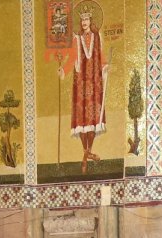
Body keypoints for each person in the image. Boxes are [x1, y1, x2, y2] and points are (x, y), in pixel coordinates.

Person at [61, 9, 109, 173]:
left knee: (93, 120)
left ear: (91, 21)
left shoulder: (97, 37)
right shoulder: (77, 39)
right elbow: (73, 57)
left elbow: (101, 56)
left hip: (95, 82)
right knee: (82, 120)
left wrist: (105, 67)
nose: (84, 23)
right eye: (82, 21)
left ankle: (86, 155)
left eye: (87, 20)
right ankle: (87, 153)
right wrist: (64, 70)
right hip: (81, 83)